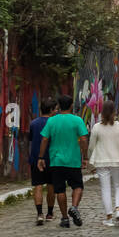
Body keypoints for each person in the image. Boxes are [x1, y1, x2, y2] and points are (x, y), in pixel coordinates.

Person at [39, 93, 89, 228]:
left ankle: (65, 218)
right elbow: (84, 139)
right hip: (73, 160)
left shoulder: (51, 121)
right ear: (72, 105)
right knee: (78, 186)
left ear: (59, 106)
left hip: (56, 160)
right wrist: (85, 157)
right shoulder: (77, 120)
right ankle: (74, 207)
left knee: (60, 190)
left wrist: (40, 157)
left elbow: (44, 139)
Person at [27, 96, 58, 226]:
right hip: (51, 158)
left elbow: (31, 140)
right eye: (55, 109)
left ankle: (39, 214)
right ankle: (50, 213)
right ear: (51, 109)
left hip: (36, 158)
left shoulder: (33, 123)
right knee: (51, 186)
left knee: (38, 186)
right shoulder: (55, 123)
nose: (56, 111)